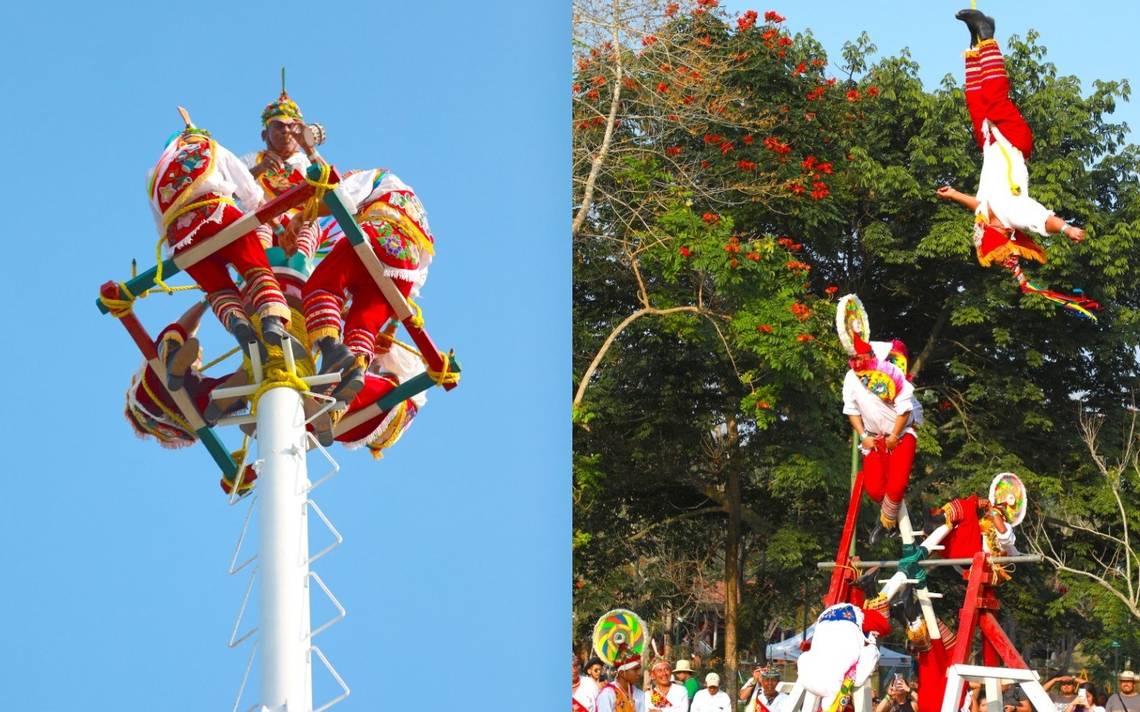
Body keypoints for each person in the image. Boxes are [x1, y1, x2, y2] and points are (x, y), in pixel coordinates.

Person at [935, 9, 1098, 318]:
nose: (982, 226)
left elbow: (977, 205)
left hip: (991, 142)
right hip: (1013, 141)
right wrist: (1067, 230)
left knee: (975, 101)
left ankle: (974, 46)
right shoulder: (1013, 212)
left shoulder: (987, 210)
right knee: (995, 99)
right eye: (986, 230)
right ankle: (988, 35)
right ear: (1000, 229)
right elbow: (1043, 219)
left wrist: (954, 194)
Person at [148, 117, 293, 357]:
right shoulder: (213, 148)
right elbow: (249, 191)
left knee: (217, 289)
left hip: (181, 240)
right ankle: (271, 321)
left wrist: (178, 254)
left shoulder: (154, 173)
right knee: (255, 266)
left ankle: (239, 325)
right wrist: (277, 227)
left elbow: (160, 225)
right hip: (217, 214)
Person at [301, 167, 435, 403]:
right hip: (406, 267)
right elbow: (415, 284)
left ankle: (332, 350)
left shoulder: (377, 176)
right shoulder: (421, 217)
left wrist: (303, 216)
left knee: (322, 287)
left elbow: (343, 198)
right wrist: (391, 327)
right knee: (363, 323)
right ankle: (352, 374)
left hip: (377, 235)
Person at [124, 301, 248, 448]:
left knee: (170, 340)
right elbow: (187, 329)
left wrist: (206, 302)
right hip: (187, 420)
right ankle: (237, 383)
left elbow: (183, 329)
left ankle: (176, 366)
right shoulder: (191, 378)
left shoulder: (188, 379)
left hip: (164, 410)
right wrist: (208, 299)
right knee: (210, 393)